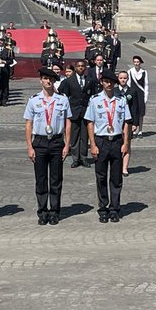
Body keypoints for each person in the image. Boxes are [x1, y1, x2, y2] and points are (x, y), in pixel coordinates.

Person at [23, 67, 72, 225]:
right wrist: (30, 146)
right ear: (41, 81)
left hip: (57, 141)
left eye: (50, 79)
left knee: (56, 179)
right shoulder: (34, 100)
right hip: (40, 142)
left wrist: (67, 144)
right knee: (41, 178)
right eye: (45, 78)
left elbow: (68, 122)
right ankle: (42, 211)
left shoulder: (62, 100)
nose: (48, 81)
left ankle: (55, 211)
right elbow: (28, 124)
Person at [87, 73, 131, 223]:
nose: (109, 84)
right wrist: (92, 144)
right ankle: (103, 208)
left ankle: (115, 208)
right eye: (106, 81)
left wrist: (126, 143)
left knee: (116, 177)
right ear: (101, 82)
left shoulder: (121, 100)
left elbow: (126, 122)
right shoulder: (95, 100)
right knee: (101, 177)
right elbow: (90, 123)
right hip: (101, 141)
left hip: (117, 140)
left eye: (112, 82)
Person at [59, 59, 94, 168]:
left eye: (83, 66)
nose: (80, 68)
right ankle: (75, 158)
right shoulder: (69, 81)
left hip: (85, 112)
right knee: (74, 137)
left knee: (84, 136)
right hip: (73, 112)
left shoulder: (90, 80)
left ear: (85, 67)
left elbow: (93, 96)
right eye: (78, 66)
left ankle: (83, 158)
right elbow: (62, 94)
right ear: (75, 68)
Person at [127, 56, 149, 135]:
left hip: (141, 94)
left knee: (141, 113)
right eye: (135, 62)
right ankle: (134, 128)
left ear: (140, 63)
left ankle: (140, 130)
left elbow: (146, 85)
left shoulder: (144, 72)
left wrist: (145, 96)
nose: (136, 63)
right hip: (133, 94)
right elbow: (128, 84)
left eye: (137, 62)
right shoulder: (130, 71)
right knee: (133, 111)